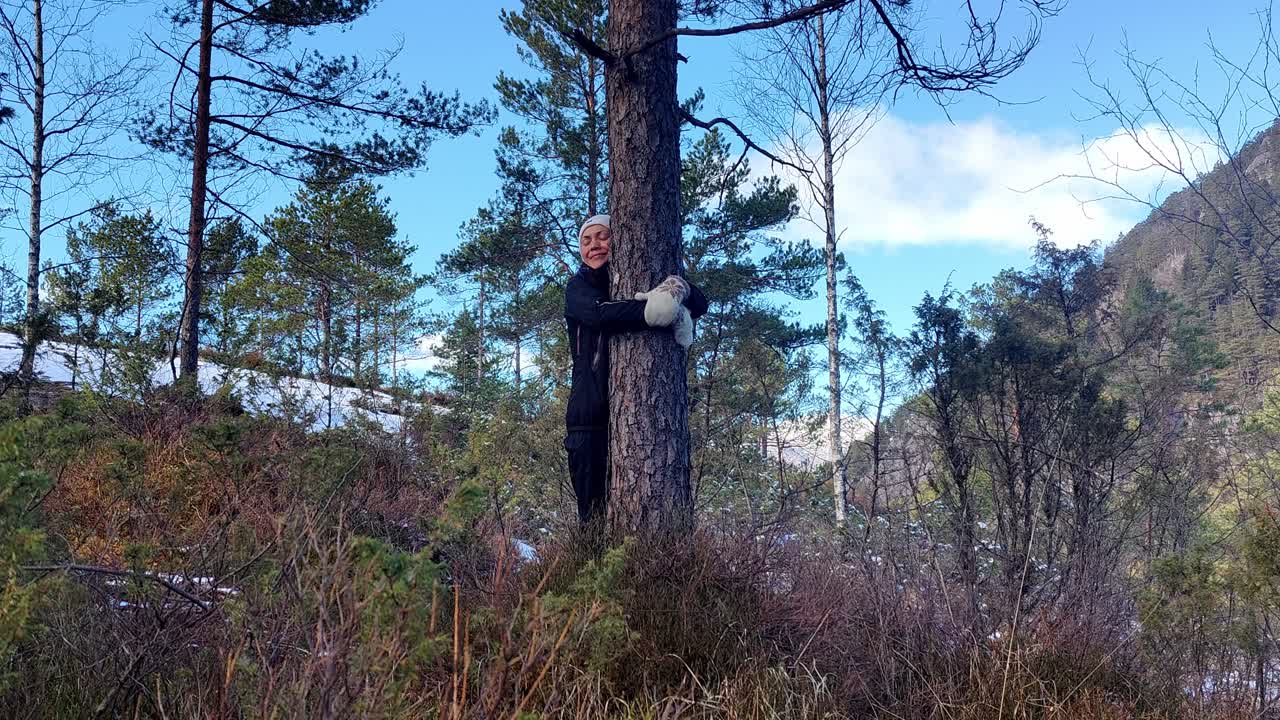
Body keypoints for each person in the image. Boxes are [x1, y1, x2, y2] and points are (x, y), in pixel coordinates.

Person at [564, 214, 708, 524]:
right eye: (586, 241)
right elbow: (600, 315)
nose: (594, 246)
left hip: (635, 418)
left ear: (619, 239)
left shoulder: (637, 275)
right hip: (588, 422)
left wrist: (679, 291)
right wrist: (654, 310)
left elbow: (701, 301)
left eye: (603, 236)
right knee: (594, 520)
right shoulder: (577, 288)